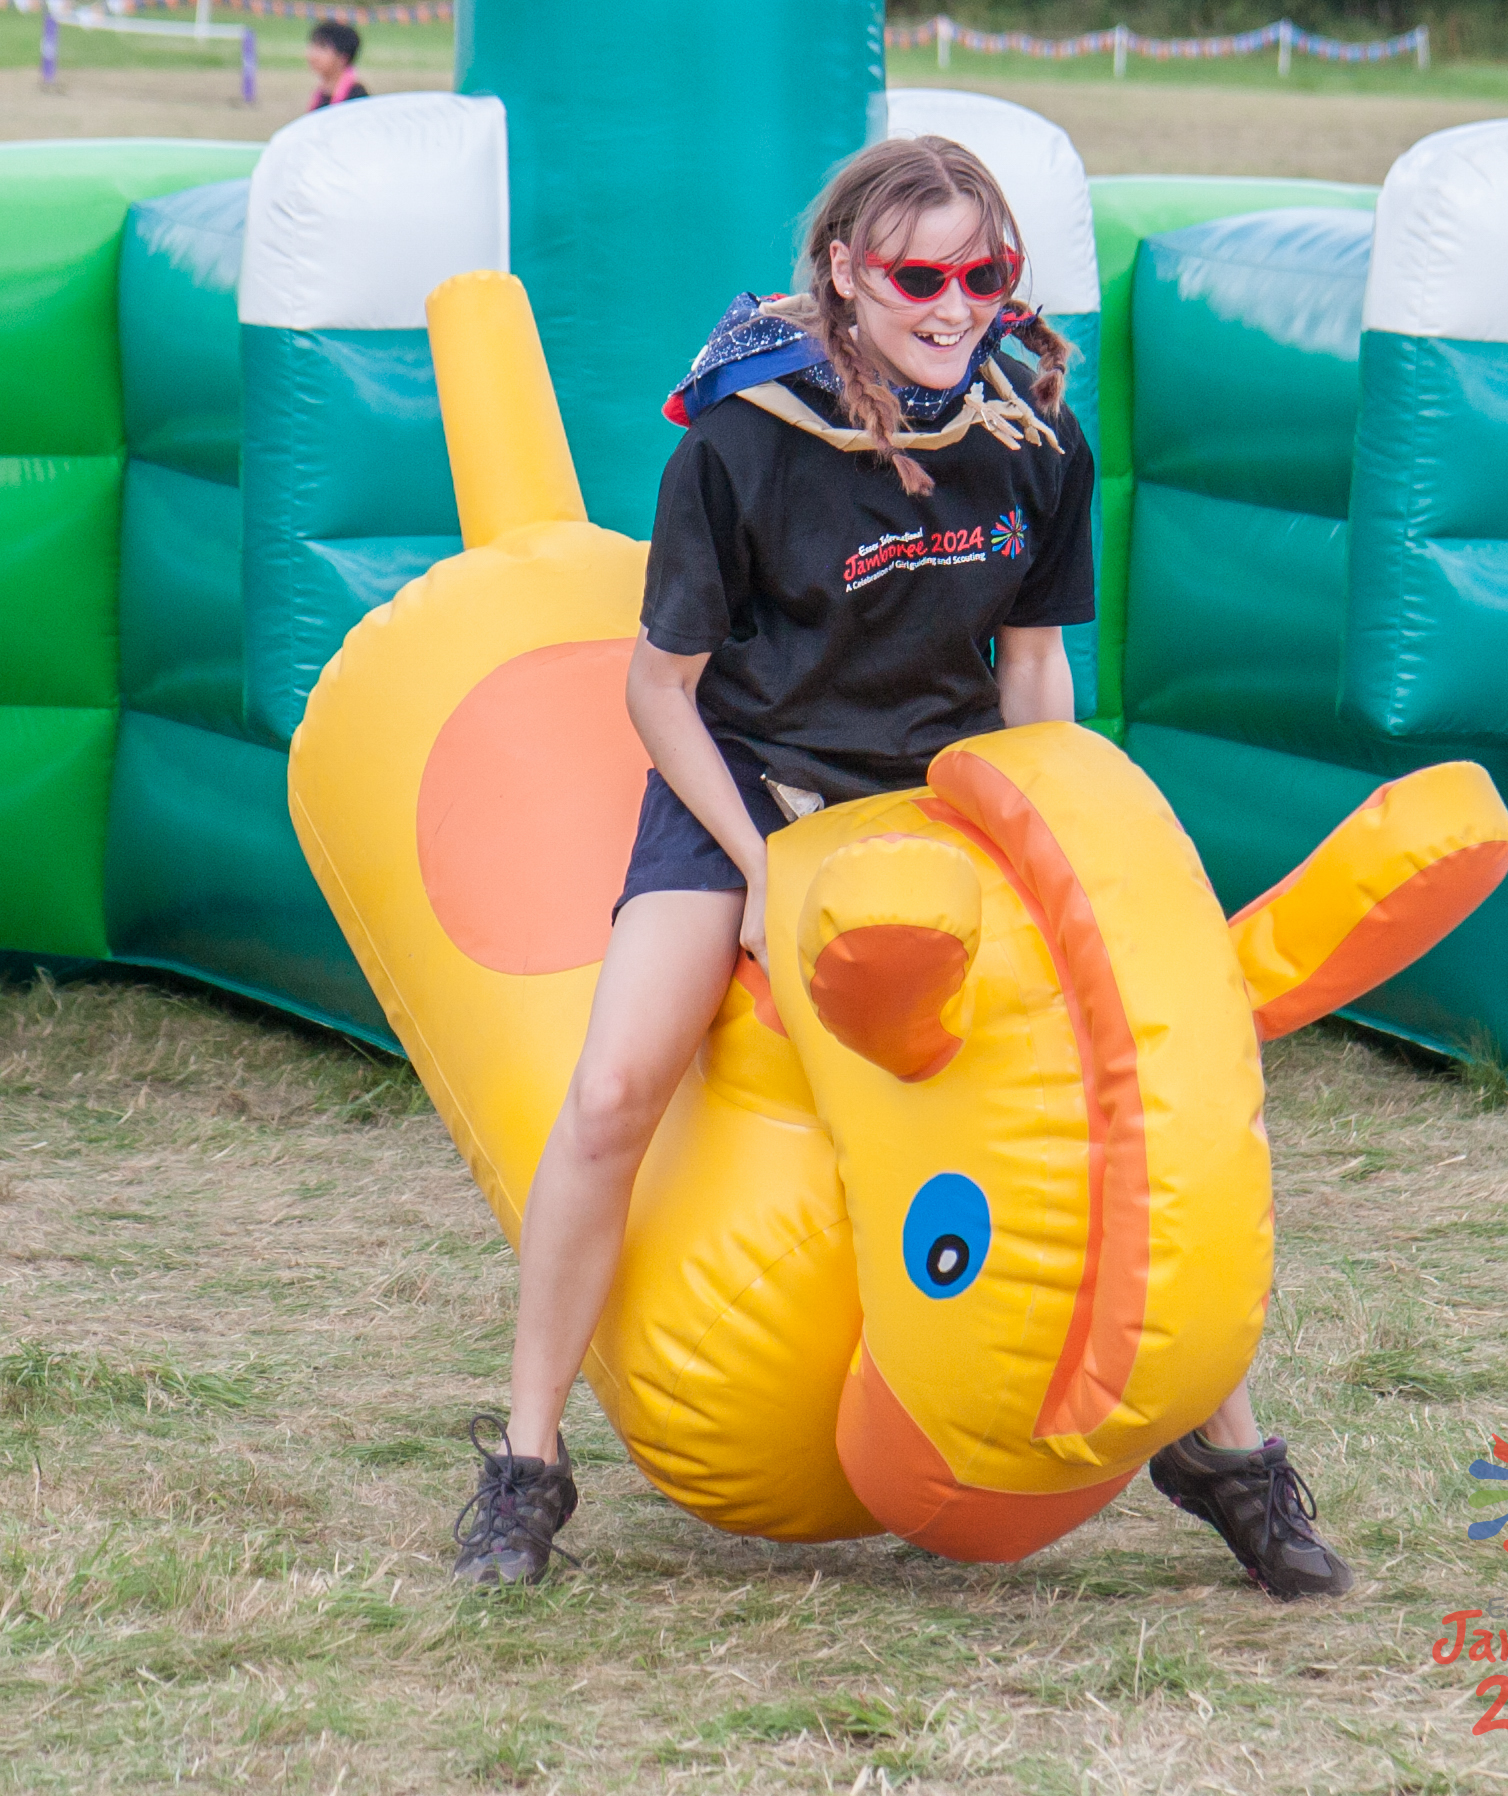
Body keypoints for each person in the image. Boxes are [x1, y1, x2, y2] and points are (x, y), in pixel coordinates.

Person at [446, 135, 1353, 1604]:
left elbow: (1037, 670)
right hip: (748, 791)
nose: (952, 304)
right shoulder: (741, 442)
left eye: (982, 274)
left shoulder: (1035, 431)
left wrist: (1046, 842)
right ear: (846, 277)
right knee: (614, 1091)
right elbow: (658, 695)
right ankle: (529, 1468)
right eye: (917, 274)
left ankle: (1226, 1458)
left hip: (940, 804)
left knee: (1099, 1103)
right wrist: (764, 872)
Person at [305, 22, 368, 111]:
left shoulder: (355, 97)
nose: (313, 55)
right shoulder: (322, 93)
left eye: (323, 48)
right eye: (313, 46)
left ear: (343, 58)